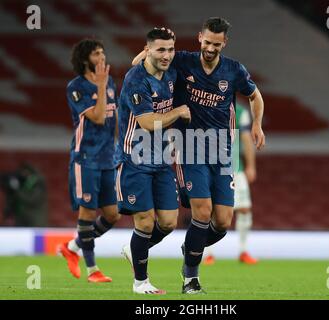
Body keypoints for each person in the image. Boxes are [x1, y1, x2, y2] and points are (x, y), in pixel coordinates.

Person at [134, 17, 265, 293]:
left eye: (216, 44)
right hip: (189, 145)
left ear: (224, 43)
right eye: (207, 42)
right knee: (202, 212)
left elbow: (255, 96)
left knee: (222, 221)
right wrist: (142, 59)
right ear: (199, 38)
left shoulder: (233, 70)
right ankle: (190, 278)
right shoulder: (183, 60)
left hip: (222, 150)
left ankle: (190, 246)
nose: (210, 48)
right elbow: (143, 64)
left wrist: (256, 124)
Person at [116, 28, 191, 294]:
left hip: (161, 160)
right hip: (134, 159)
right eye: (160, 49)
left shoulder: (170, 70)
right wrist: (179, 111)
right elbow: (147, 122)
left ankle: (134, 248)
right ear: (147, 49)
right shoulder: (136, 79)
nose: (167, 55)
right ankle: (140, 282)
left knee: (169, 222)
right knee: (145, 222)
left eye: (170, 49)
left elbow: (150, 58)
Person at [60, 39, 121, 283]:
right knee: (87, 211)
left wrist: (119, 147)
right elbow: (96, 117)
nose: (102, 56)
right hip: (85, 157)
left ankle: (72, 247)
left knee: (113, 215)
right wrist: (101, 84)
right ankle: (92, 270)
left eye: (103, 52)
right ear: (86, 59)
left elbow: (112, 117)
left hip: (107, 157)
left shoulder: (110, 83)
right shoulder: (76, 87)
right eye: (97, 53)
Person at [203, 103, 258, 265]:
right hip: (212, 165)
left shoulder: (240, 111)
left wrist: (250, 166)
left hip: (235, 167)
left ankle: (243, 250)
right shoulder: (206, 106)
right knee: (209, 209)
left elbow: (246, 139)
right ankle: (207, 252)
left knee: (244, 208)